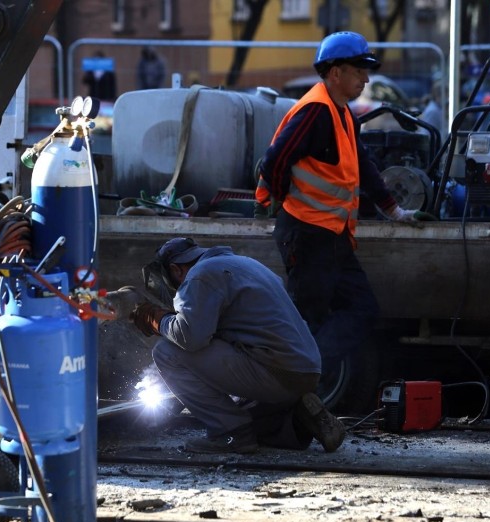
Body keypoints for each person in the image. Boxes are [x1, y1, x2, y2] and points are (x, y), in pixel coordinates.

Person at [255, 31, 435, 390]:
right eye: (359, 71)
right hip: (307, 235)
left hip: (331, 237)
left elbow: (363, 166)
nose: (365, 79)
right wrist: (271, 199)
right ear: (335, 72)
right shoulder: (316, 111)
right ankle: (294, 391)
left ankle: (305, 379)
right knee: (310, 320)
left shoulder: (341, 113)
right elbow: (273, 159)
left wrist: (395, 211)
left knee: (361, 310)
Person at [129, 237, 346, 455]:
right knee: (243, 412)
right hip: (305, 372)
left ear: (176, 269)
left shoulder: (200, 275)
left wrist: (156, 319)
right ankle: (300, 413)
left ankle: (231, 434)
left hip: (275, 371)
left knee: (167, 352)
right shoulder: (246, 264)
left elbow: (189, 338)